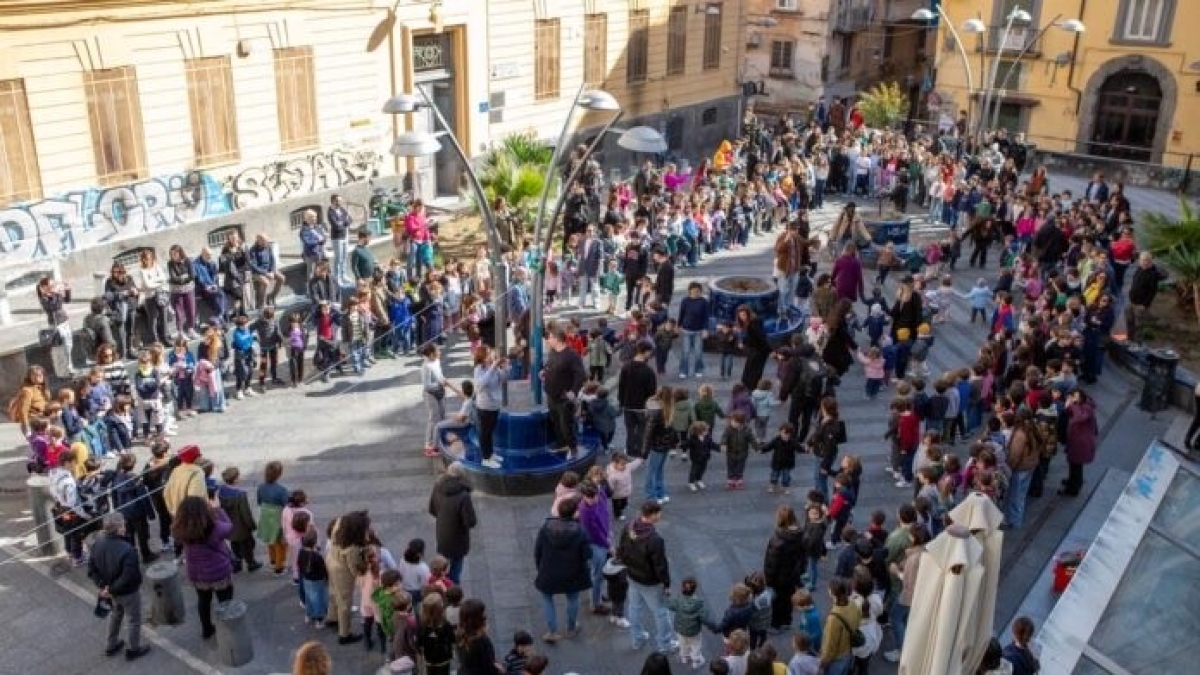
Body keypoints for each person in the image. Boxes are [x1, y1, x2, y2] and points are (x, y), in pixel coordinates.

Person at [87, 512, 149, 660]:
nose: (125, 526)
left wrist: (104, 587)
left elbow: (92, 570)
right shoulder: (127, 549)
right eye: (123, 524)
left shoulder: (97, 544)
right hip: (128, 593)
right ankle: (133, 649)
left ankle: (111, 644)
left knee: (115, 615)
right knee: (133, 619)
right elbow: (129, 576)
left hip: (110, 591)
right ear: (119, 528)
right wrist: (112, 589)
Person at [616, 500, 676, 653]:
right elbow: (660, 566)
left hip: (632, 575)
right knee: (661, 612)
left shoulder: (629, 526)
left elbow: (621, 549)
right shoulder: (655, 540)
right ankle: (665, 644)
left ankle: (638, 638)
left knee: (634, 607)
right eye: (658, 513)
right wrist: (666, 584)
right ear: (653, 515)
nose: (660, 515)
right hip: (650, 582)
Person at [172, 495, 234, 640]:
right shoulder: (214, 527)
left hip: (197, 573)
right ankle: (227, 630)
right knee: (225, 602)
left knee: (203, 601)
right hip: (219, 572)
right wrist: (218, 509)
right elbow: (229, 526)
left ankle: (206, 629)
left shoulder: (179, 529)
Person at [533, 496, 592, 643]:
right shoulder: (580, 531)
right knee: (573, 598)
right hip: (572, 573)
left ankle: (552, 631)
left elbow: (537, 551)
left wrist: (540, 568)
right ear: (574, 513)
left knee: (547, 598)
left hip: (549, 572)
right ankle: (571, 627)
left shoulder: (546, 528)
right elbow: (587, 554)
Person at [326, 510, 370, 644]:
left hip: (331, 560)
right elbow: (354, 568)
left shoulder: (340, 523)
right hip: (342, 573)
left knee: (334, 592)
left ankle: (332, 617)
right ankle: (344, 634)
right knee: (345, 602)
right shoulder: (352, 548)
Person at [428, 461, 477, 584]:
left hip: (442, 533)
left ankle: (440, 585)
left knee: (441, 564)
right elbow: (470, 521)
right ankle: (452, 589)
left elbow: (432, 509)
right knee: (456, 566)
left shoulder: (438, 485)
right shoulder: (463, 496)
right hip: (458, 538)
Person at [543, 328, 587, 454]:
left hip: (564, 398)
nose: (548, 340)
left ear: (557, 339)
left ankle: (573, 448)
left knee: (565, 425)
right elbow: (549, 366)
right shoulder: (552, 352)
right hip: (551, 395)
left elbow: (581, 375)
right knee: (555, 421)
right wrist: (544, 372)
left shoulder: (572, 355)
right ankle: (561, 444)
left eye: (550, 337)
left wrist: (573, 391)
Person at [762, 505, 805, 631]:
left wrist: (768, 580)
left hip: (779, 578)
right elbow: (803, 556)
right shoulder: (800, 534)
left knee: (777, 601)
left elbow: (771, 564)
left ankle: (776, 624)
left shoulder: (778, 540)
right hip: (793, 575)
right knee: (788, 598)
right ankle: (787, 621)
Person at [619, 342, 659, 458]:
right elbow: (652, 392)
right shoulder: (648, 371)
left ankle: (630, 450)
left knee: (630, 429)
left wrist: (622, 402)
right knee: (642, 429)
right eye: (650, 352)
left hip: (628, 405)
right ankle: (640, 450)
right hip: (642, 406)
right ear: (646, 352)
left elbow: (621, 386)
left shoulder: (626, 367)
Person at [474, 346, 508, 469]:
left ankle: (491, 454)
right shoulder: (479, 369)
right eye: (488, 354)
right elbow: (480, 385)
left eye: (491, 354)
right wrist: (493, 367)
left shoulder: (493, 368)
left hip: (495, 405)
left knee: (490, 432)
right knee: (485, 433)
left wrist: (504, 368)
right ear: (482, 358)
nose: (491, 356)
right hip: (484, 407)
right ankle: (485, 458)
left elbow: (503, 380)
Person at [819, 578, 861, 675]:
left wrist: (823, 662)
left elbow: (830, 645)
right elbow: (858, 622)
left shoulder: (834, 618)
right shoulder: (853, 604)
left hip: (837, 658)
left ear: (831, 593)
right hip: (849, 651)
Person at [1061, 389, 1098, 497]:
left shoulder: (1087, 408)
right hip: (1076, 441)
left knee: (1076, 466)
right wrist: (1069, 405)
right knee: (1074, 465)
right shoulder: (1079, 405)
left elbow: (1079, 417)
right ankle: (1072, 481)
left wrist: (1072, 405)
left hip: (1081, 443)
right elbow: (1069, 413)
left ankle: (1073, 488)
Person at [36, 276, 75, 375]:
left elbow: (67, 300)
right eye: (51, 285)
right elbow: (54, 306)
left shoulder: (55, 294)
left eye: (53, 284)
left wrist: (67, 289)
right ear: (44, 287)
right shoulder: (44, 298)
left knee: (69, 346)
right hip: (56, 326)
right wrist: (56, 293)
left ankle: (69, 367)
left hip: (64, 322)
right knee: (60, 349)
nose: (53, 287)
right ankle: (63, 371)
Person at [134, 248, 171, 346]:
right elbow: (147, 284)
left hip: (161, 295)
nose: (148, 260)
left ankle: (165, 338)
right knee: (153, 320)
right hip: (150, 298)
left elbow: (163, 279)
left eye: (150, 258)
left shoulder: (157, 267)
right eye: (146, 259)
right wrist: (157, 282)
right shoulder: (142, 271)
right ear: (143, 260)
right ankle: (156, 341)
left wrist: (154, 283)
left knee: (164, 318)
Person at [457, 599, 503, 675]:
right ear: (478, 619)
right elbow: (488, 667)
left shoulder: (461, 635)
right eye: (483, 613)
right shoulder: (482, 641)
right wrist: (499, 670)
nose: (486, 615)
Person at [737, 305, 770, 391]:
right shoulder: (749, 324)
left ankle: (751, 389)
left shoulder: (753, 324)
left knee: (754, 372)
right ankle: (749, 387)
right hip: (754, 350)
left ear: (748, 314)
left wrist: (770, 350)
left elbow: (761, 338)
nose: (742, 317)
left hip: (759, 351)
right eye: (740, 315)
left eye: (743, 315)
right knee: (749, 371)